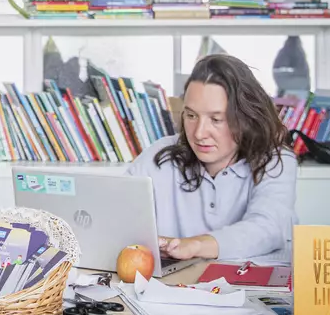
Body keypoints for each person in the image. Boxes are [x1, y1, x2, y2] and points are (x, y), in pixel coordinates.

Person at [126, 53, 297, 262]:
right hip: (178, 281)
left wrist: (195, 245)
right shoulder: (160, 154)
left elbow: (267, 228)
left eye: (216, 119)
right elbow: (115, 212)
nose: (199, 133)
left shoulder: (275, 159)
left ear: (245, 118)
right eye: (191, 115)